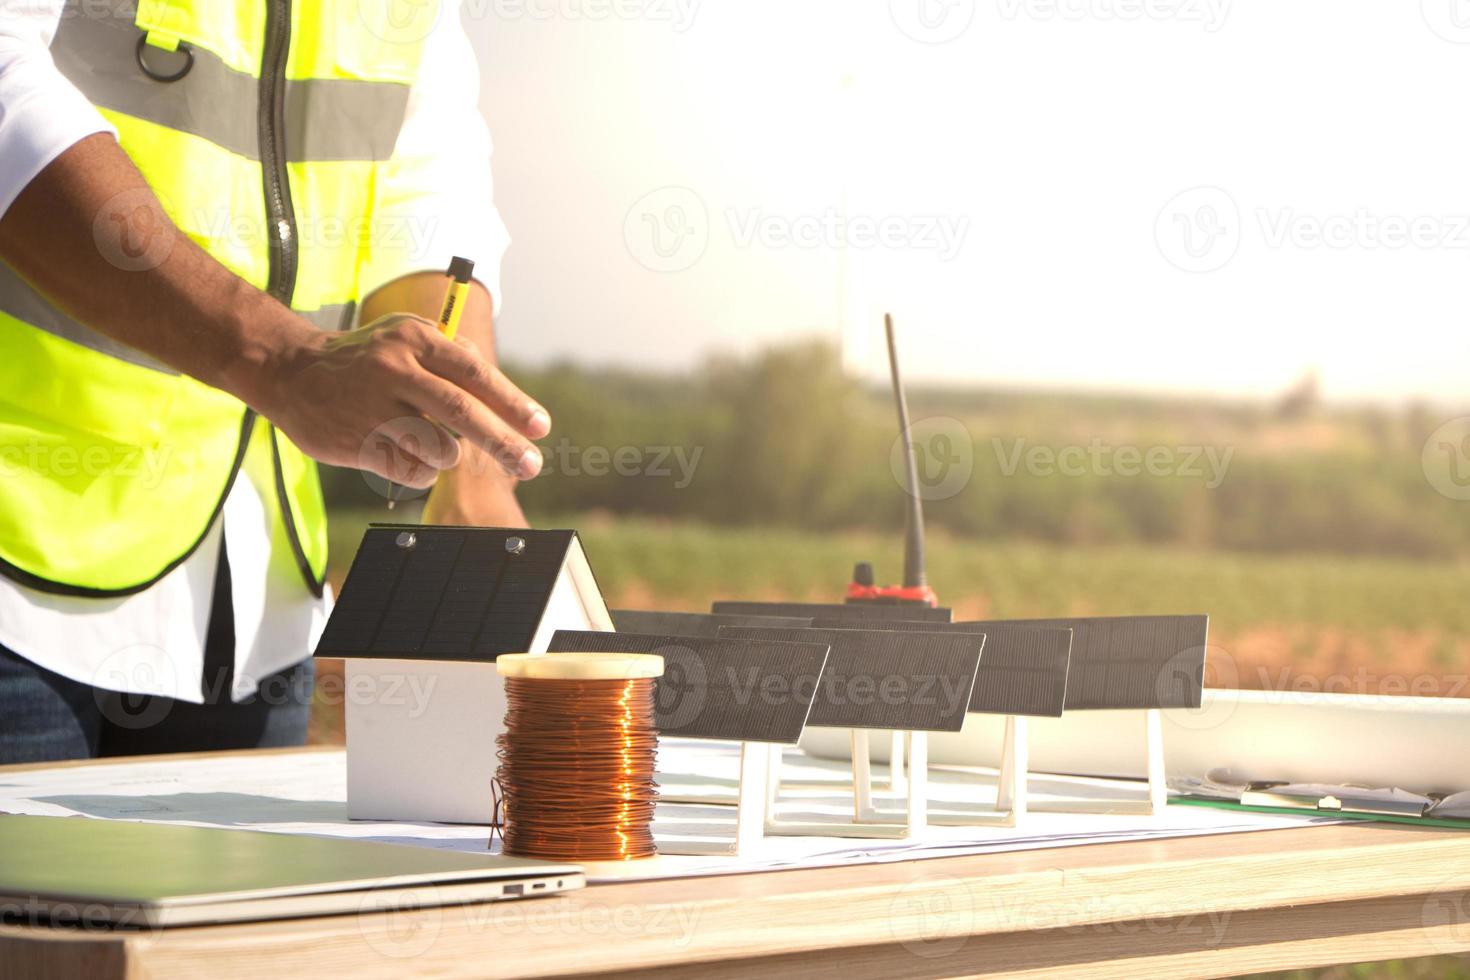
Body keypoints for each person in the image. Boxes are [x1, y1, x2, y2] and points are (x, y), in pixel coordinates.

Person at [0, 0, 545, 762]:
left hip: (263, 607)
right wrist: (278, 360)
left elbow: (428, 188)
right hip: (17, 577)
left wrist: (470, 461)